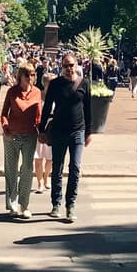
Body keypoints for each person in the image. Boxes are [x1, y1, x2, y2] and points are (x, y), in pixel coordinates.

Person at [40, 52, 92, 222]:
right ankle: (56, 203)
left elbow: (88, 109)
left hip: (78, 131)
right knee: (57, 168)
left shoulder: (84, 83)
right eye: (66, 66)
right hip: (59, 131)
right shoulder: (55, 84)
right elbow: (47, 107)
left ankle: (71, 204)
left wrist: (89, 132)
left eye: (71, 65)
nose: (69, 68)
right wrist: (42, 129)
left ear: (77, 65)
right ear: (61, 67)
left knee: (75, 167)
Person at [0, 62, 41, 220]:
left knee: (27, 170)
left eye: (32, 75)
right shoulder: (12, 91)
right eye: (27, 75)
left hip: (30, 135)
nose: (30, 78)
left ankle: (24, 206)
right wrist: (6, 128)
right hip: (12, 135)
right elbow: (4, 113)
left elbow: (38, 115)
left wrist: (42, 131)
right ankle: (12, 204)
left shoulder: (37, 92)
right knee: (11, 170)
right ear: (20, 77)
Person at [34, 72, 56, 194]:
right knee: (38, 157)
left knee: (50, 158)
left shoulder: (57, 96)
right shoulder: (38, 96)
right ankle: (39, 182)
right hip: (39, 128)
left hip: (52, 129)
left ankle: (46, 177)